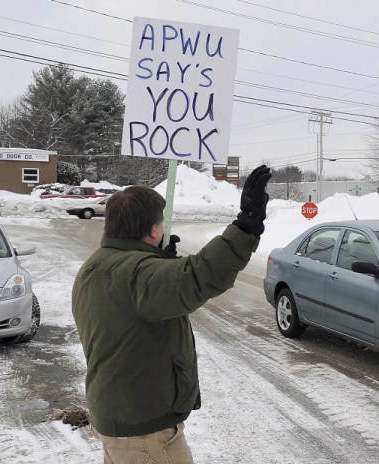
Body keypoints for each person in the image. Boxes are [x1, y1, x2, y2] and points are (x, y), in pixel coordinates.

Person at [72, 165, 271, 464]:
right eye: (161, 223)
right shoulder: (138, 274)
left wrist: (158, 262)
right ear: (153, 229)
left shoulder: (97, 264)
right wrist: (248, 224)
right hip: (141, 431)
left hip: (119, 416)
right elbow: (201, 275)